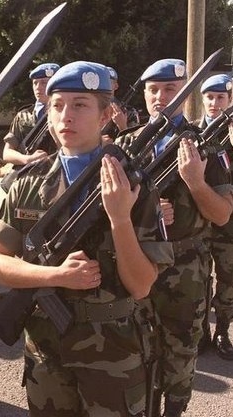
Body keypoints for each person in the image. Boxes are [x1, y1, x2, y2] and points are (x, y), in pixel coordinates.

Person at [0, 61, 173, 416]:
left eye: (80, 105)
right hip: (46, 351)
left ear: (105, 117)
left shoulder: (134, 185)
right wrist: (55, 276)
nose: (65, 116)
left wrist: (119, 218)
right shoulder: (27, 182)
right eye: (57, 105)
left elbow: (142, 285)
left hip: (114, 353)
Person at [116, 59, 233, 416]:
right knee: (135, 347)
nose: (160, 96)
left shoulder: (206, 147)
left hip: (186, 268)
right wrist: (142, 212)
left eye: (169, 89)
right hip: (138, 262)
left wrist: (196, 182)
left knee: (181, 349)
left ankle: (173, 411)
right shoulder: (124, 146)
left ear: (183, 94)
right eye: (153, 89)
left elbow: (222, 214)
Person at [197, 73, 233, 360]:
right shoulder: (192, 133)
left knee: (228, 278)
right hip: (197, 222)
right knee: (199, 278)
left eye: (220, 97)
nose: (214, 102)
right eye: (209, 97)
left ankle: (222, 329)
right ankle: (201, 332)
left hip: (229, 224)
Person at [1, 62, 60, 166]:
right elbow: (7, 153)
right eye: (35, 83)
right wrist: (27, 159)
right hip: (26, 175)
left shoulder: (63, 114)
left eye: (44, 83)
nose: (38, 87)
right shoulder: (23, 116)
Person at [101, 66, 140, 141]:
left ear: (116, 86)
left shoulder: (129, 112)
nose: (103, 85)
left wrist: (123, 126)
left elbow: (136, 144)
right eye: (101, 82)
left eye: (107, 82)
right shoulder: (89, 109)